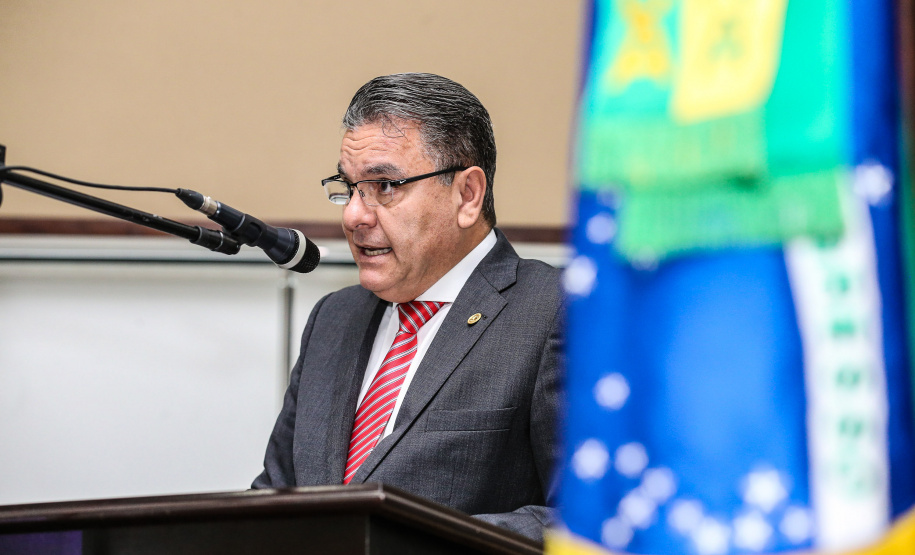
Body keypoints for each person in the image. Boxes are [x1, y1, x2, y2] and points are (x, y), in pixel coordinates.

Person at [252, 73, 563, 541]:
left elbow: (583, 520)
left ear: (467, 195)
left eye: (385, 186)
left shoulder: (554, 312)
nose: (354, 215)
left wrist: (406, 545)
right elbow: (272, 498)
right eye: (349, 186)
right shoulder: (334, 319)